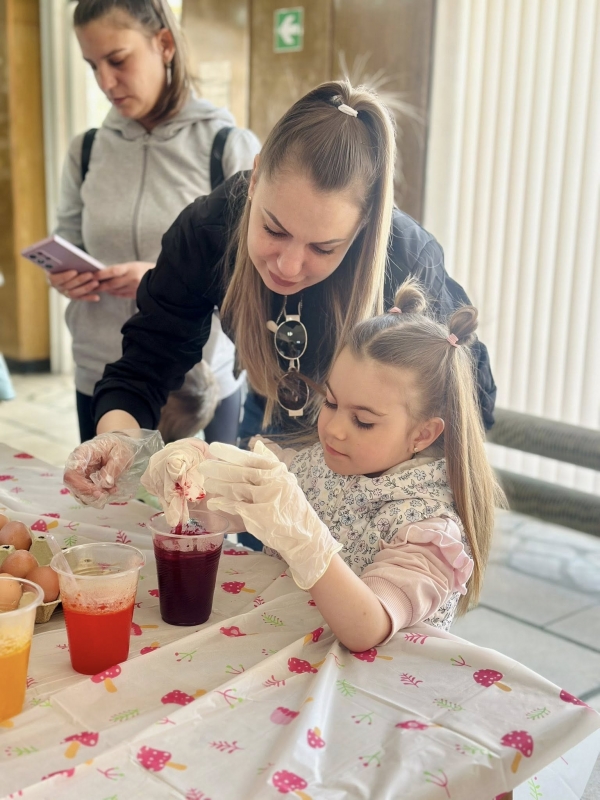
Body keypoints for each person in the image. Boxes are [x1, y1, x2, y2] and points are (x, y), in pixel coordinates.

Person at [63, 80, 497, 552]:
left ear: (364, 224)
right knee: (261, 569)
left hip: (381, 462)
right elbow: (147, 360)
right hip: (272, 416)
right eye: (273, 229)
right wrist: (120, 441)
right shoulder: (208, 230)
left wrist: (376, 475)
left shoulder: (407, 258)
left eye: (323, 248)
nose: (288, 266)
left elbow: (462, 398)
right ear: (254, 179)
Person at [196, 281, 504, 651]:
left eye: (363, 421)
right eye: (330, 402)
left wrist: (305, 541)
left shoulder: (429, 531)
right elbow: (223, 512)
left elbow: (366, 629)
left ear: (423, 434)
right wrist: (195, 479)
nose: (334, 429)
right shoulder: (313, 465)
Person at [49, 0, 260, 443]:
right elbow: (69, 238)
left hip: (199, 384)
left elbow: (254, 274)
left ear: (164, 44)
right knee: (104, 488)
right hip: (103, 375)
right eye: (92, 66)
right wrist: (67, 274)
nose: (105, 82)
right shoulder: (86, 151)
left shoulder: (226, 146)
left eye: (117, 60)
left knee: (203, 492)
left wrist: (162, 280)